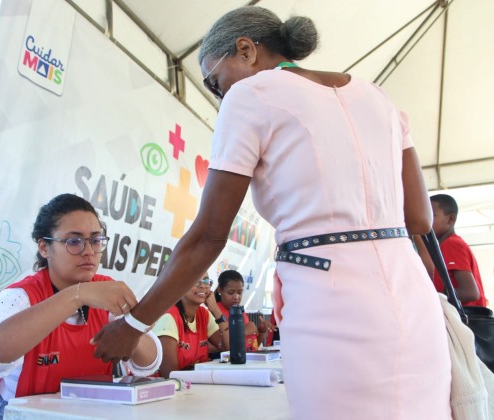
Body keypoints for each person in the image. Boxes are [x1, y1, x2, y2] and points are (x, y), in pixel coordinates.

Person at [92, 6, 451, 418]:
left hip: (328, 300)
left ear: (245, 50)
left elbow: (209, 235)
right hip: (412, 298)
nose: (219, 95)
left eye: (214, 81)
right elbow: (420, 219)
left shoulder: (250, 96)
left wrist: (135, 324)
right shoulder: (379, 97)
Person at [0, 194, 162, 420]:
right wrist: (76, 295)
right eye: (74, 241)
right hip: (16, 413)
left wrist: (132, 327)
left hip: (86, 412)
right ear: (44, 247)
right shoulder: (22, 295)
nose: (89, 251)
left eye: (95, 240)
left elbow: (149, 363)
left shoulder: (107, 292)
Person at [152, 272, 229, 378]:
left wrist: (216, 311)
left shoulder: (204, 314)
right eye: (196, 281)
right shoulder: (169, 317)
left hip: (191, 384)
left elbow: (229, 349)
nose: (203, 285)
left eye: (206, 281)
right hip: (158, 388)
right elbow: (170, 374)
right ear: (181, 286)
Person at [427, 193, 488, 306]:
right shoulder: (447, 244)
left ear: (451, 219)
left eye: (432, 215)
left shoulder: (451, 244)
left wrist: (431, 296)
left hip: (466, 318)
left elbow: (471, 293)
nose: (427, 220)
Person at [213, 269, 262, 352]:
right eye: (231, 292)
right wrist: (244, 331)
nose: (236, 297)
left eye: (239, 292)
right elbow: (223, 343)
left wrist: (262, 331)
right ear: (219, 290)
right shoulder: (214, 312)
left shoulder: (240, 311)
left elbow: (252, 344)